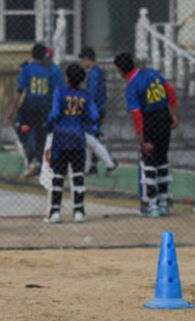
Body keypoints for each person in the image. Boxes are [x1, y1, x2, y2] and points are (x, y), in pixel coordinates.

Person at [114, 52, 178, 217]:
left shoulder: (132, 85)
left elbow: (137, 114)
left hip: (150, 121)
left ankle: (151, 205)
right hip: (164, 117)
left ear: (121, 70)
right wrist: (174, 114)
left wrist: (141, 140)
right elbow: (170, 90)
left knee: (149, 161)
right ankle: (164, 203)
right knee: (162, 159)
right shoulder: (152, 73)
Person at [43, 63, 99, 224]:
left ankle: (55, 212)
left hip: (61, 137)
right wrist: (84, 121)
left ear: (66, 78)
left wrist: (48, 126)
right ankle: (79, 212)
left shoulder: (59, 92)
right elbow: (94, 116)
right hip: (78, 139)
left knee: (58, 175)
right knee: (78, 175)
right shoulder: (85, 95)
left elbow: (54, 113)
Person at [6, 43, 56, 177]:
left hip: (30, 105)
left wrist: (12, 108)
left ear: (32, 55)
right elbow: (52, 91)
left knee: (22, 131)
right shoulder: (48, 70)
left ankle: (32, 158)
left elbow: (20, 91)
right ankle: (38, 161)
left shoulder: (27, 69)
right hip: (44, 106)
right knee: (41, 135)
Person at [78, 47, 118, 176]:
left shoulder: (94, 74)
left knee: (89, 138)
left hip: (94, 110)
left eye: (83, 60)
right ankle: (90, 167)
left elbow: (93, 94)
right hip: (98, 109)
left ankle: (109, 163)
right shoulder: (97, 72)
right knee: (89, 138)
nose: (82, 63)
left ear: (88, 59)